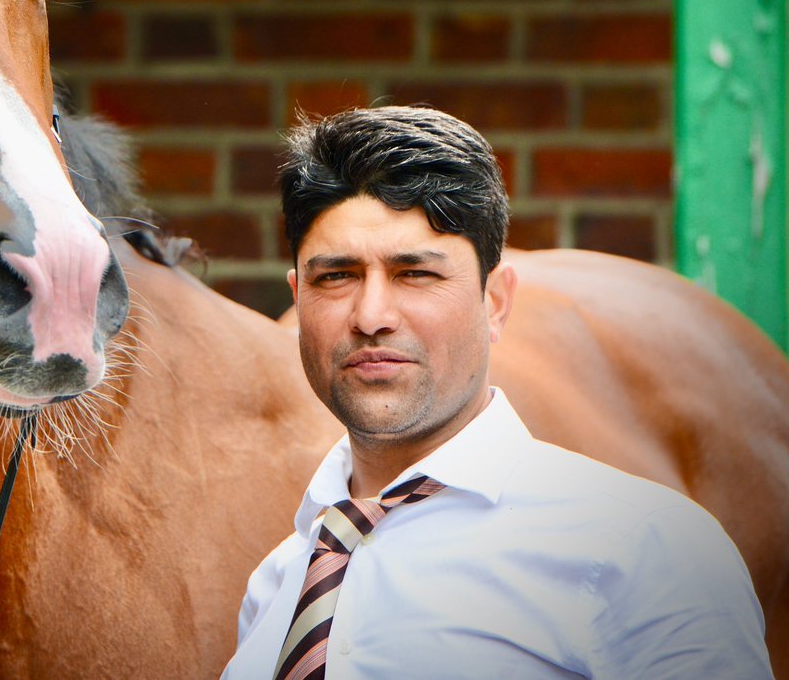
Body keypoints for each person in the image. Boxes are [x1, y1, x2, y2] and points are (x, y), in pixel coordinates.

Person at [221, 105, 771, 680]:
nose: (371, 315)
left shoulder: (648, 549)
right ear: (298, 297)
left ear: (496, 302)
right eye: (336, 275)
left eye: (417, 273)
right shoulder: (276, 585)